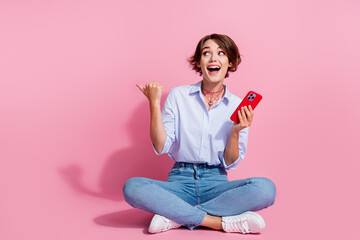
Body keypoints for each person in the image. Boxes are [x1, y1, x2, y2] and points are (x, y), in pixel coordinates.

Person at [123, 33, 276, 234]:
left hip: (217, 186)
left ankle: (176, 217)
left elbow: (231, 162)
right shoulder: (179, 96)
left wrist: (236, 131)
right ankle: (219, 222)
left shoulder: (238, 105)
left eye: (221, 53)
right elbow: (161, 147)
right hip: (179, 183)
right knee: (132, 187)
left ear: (230, 62)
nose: (214, 58)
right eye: (206, 53)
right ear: (199, 62)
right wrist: (153, 103)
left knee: (266, 189)